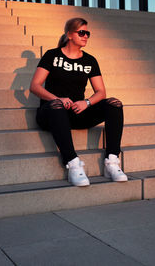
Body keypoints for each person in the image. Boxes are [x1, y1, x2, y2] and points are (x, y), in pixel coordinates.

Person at [30, 17, 128, 187]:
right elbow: (35, 86)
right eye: (81, 32)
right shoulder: (52, 55)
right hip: (52, 113)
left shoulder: (90, 60)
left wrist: (87, 103)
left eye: (87, 33)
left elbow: (101, 92)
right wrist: (57, 98)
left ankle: (111, 161)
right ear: (69, 34)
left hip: (77, 113)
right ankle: (73, 164)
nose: (85, 36)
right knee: (56, 107)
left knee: (114, 104)